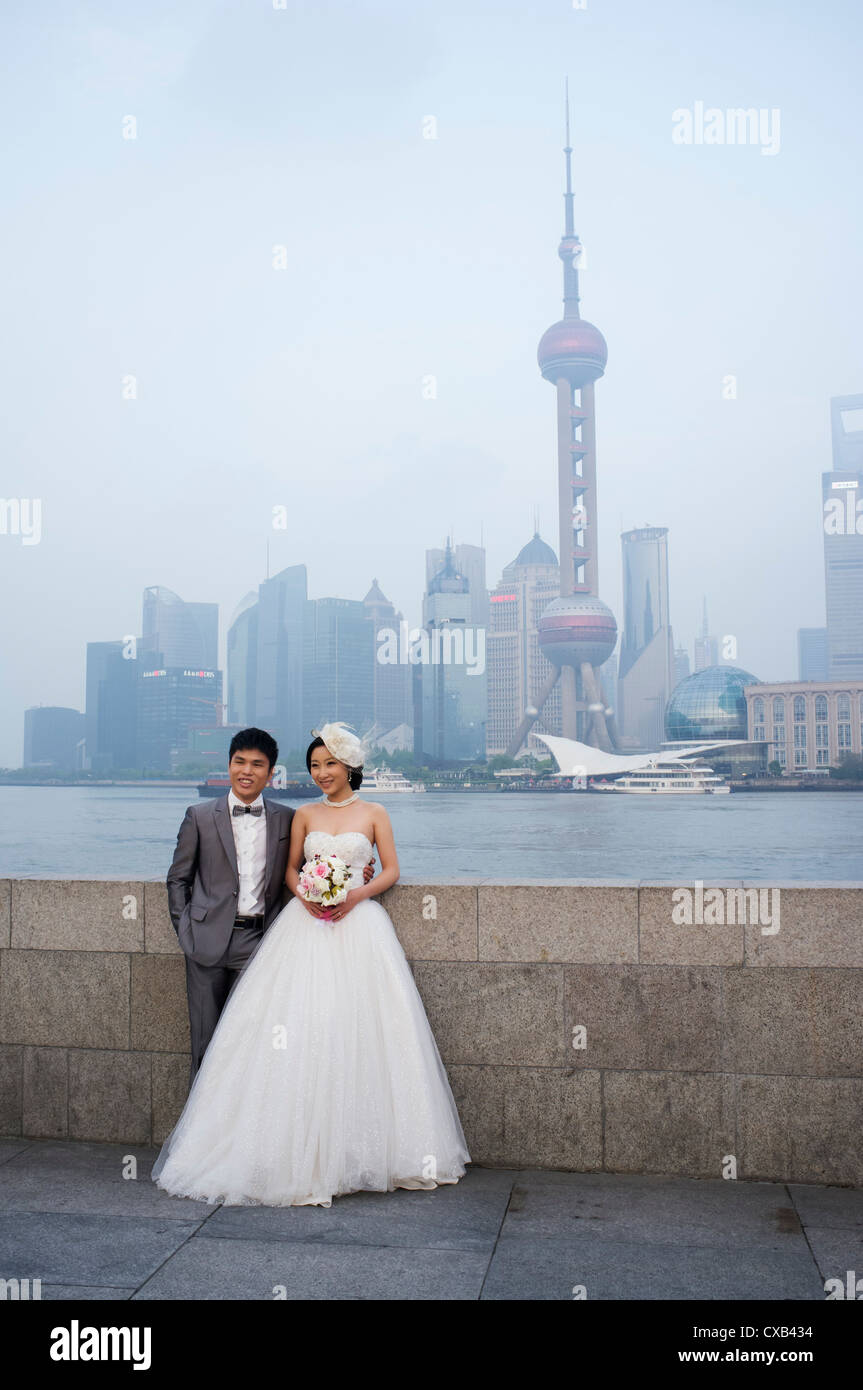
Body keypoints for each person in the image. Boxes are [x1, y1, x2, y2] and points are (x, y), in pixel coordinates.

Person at [152, 721, 470, 1207]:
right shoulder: (301, 815)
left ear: (350, 767)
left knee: (359, 1031)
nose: (322, 773)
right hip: (303, 929)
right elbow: (288, 869)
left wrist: (353, 896)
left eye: (330, 764)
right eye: (316, 766)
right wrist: (309, 896)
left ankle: (356, 1151)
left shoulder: (376, 812)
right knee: (284, 1032)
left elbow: (392, 870)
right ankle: (249, 1141)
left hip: (360, 927)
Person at [166, 726, 375, 1084]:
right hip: (205, 943)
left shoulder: (287, 818)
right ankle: (202, 1135)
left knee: (256, 1044)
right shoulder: (198, 816)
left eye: (257, 764)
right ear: (230, 765)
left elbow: (312, 863)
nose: (247, 771)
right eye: (239, 762)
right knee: (204, 1043)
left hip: (261, 945)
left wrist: (359, 871)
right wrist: (187, 933)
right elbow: (177, 879)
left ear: (270, 771)